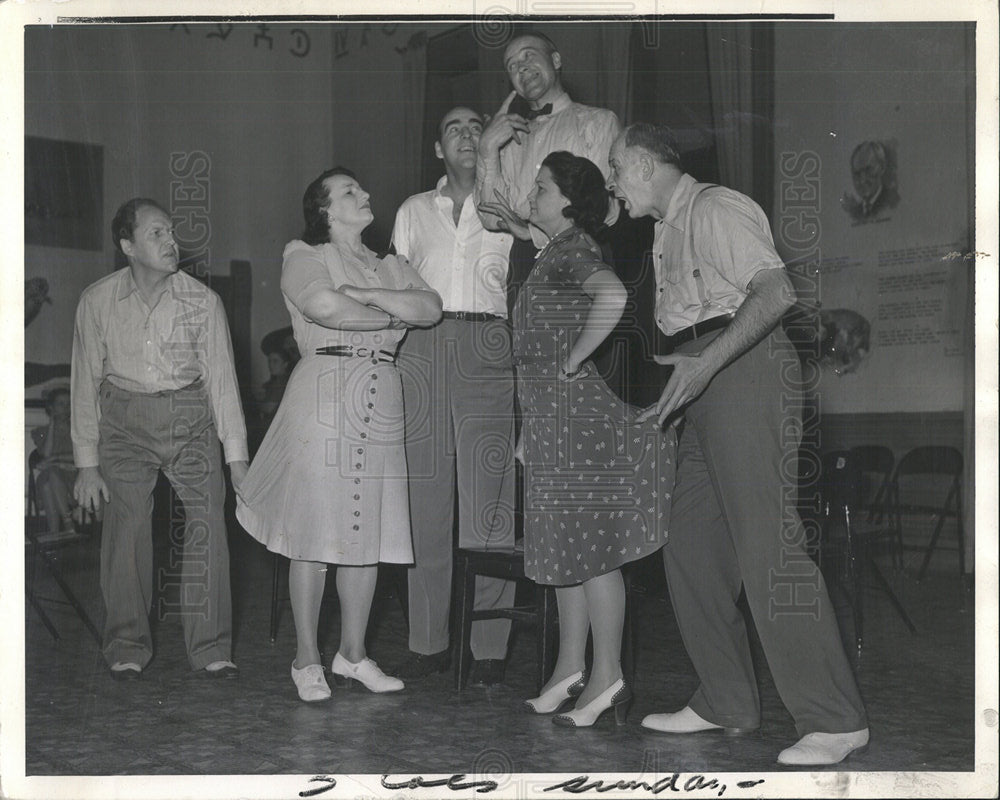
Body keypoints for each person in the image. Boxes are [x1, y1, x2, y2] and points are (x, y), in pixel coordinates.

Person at [607, 123, 869, 765]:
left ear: (643, 165)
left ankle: (835, 717)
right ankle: (725, 699)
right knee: (691, 546)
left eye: (615, 169)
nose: (612, 182)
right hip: (700, 374)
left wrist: (705, 365)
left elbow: (775, 294)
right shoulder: (663, 230)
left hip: (742, 365)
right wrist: (688, 370)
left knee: (767, 544)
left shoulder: (715, 207)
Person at [236, 167, 442, 703]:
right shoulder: (303, 253)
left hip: (382, 393)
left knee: (366, 531)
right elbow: (322, 306)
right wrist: (390, 315)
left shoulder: (390, 263)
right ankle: (306, 659)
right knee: (313, 532)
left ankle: (352, 655)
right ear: (324, 209)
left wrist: (366, 293)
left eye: (363, 186)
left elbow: (431, 308)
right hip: (324, 392)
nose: (366, 193)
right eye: (350, 190)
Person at [512, 151, 672, 727]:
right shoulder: (551, 253)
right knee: (564, 550)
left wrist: (576, 358)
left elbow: (613, 297)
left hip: (579, 422)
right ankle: (568, 670)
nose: (533, 192)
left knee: (595, 551)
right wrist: (532, 427)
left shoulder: (574, 251)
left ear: (569, 201)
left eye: (542, 185)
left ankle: (607, 676)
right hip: (552, 421)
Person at [71, 197, 249, 682]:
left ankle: (212, 648)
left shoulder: (202, 302)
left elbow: (224, 384)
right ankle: (127, 644)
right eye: (156, 234)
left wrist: (237, 459)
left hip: (190, 418)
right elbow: (84, 383)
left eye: (171, 233)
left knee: (209, 520)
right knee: (126, 528)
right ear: (127, 245)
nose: (171, 242)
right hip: (123, 421)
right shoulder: (97, 301)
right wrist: (86, 465)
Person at [391, 107, 517, 687]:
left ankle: (488, 647)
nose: (466, 134)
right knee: (426, 501)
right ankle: (428, 643)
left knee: (489, 500)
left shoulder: (511, 204)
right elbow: (395, 292)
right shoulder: (414, 211)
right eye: (452, 129)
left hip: (490, 343)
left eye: (475, 125)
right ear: (438, 149)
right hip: (421, 346)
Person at [475, 30, 621, 314]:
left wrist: (533, 233)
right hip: (525, 263)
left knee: (582, 356)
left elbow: (605, 210)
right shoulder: (504, 140)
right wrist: (487, 149)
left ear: (555, 60)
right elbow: (491, 217)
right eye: (512, 65)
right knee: (528, 355)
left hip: (584, 253)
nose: (521, 67)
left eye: (528, 55)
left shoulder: (598, 122)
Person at [31, 386, 80, 535]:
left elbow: (78, 456)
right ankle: (65, 526)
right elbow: (46, 453)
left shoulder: (76, 430)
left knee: (48, 479)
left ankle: (56, 530)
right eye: (60, 404)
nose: (65, 408)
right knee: (50, 476)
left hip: (73, 477)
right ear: (51, 407)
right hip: (53, 475)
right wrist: (52, 423)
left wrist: (55, 459)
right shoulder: (41, 431)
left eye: (68, 404)